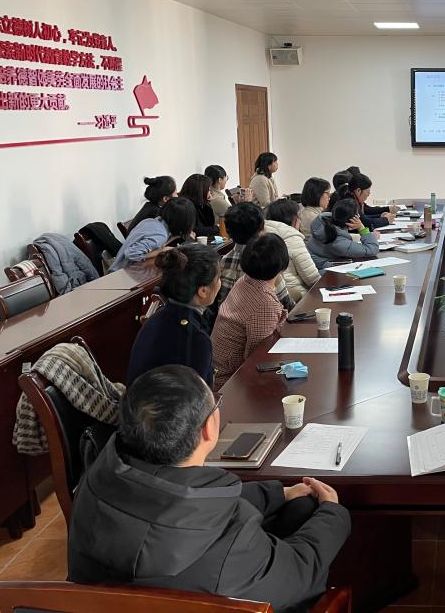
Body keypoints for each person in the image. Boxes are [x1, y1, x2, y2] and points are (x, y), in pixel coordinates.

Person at [67, 365, 351, 613]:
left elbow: (181, 504)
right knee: (308, 520)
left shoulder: (94, 481)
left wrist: (278, 494)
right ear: (209, 427)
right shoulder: (231, 547)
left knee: (297, 505)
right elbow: (299, 570)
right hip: (210, 591)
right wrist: (333, 512)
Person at [126, 245, 221, 386]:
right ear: (203, 291)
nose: (220, 283)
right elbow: (198, 396)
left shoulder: (158, 316)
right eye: (218, 278)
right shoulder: (196, 339)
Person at [211, 234, 290, 390]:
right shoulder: (265, 303)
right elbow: (260, 358)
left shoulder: (245, 281)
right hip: (229, 383)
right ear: (283, 264)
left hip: (215, 372)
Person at [214, 202, 294, 310]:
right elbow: (286, 303)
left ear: (228, 232)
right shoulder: (267, 261)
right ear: (261, 230)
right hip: (264, 314)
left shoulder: (223, 261)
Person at [110, 197, 195, 272]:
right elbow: (131, 254)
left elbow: (154, 244)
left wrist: (176, 236)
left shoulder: (152, 221)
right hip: (121, 275)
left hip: (118, 270)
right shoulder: (160, 235)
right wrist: (162, 250)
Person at [265, 198, 321, 304]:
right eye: (299, 217)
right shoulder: (291, 237)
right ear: (294, 219)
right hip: (295, 296)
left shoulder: (262, 232)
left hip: (270, 294)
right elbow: (312, 278)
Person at [306, 198, 379, 272]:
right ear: (353, 219)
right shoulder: (338, 242)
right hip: (323, 272)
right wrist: (361, 228)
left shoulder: (323, 222)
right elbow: (372, 249)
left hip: (318, 265)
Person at [180, 173, 219, 238]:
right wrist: (216, 228)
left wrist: (207, 203)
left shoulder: (201, 203)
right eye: (209, 190)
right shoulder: (185, 206)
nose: (210, 193)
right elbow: (194, 230)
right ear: (200, 191)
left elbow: (209, 223)